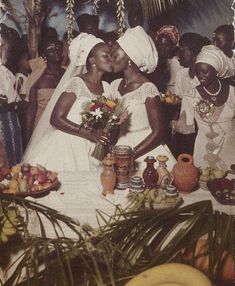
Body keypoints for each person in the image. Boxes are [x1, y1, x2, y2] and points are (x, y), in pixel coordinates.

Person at [23, 33, 112, 172]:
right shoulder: (77, 82)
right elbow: (55, 119)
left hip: (92, 145)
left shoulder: (107, 87)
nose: (111, 59)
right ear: (93, 61)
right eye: (105, 55)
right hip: (68, 145)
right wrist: (90, 133)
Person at [110, 26, 176, 171]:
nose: (111, 59)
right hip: (120, 146)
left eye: (115, 56)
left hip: (145, 150)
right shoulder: (114, 86)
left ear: (130, 59)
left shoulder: (147, 88)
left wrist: (131, 155)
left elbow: (159, 132)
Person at [179, 45, 235, 170]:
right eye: (198, 71)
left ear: (217, 71)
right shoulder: (190, 96)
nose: (200, 76)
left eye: (205, 71)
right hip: (204, 157)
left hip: (231, 156)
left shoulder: (233, 92)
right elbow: (186, 133)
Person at [171, 33, 211, 158]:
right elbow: (178, 102)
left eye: (182, 50)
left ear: (193, 53)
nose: (178, 55)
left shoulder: (206, 77)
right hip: (184, 131)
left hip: (204, 129)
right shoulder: (181, 75)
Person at [25, 38, 64, 145]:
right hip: (42, 127)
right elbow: (31, 110)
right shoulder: (38, 78)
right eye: (50, 49)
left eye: (58, 48)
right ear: (43, 55)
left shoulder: (68, 74)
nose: (55, 51)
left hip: (63, 126)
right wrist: (28, 139)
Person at [0, 26, 23, 166]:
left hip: (11, 121)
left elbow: (14, 99)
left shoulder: (6, 72)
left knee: (12, 166)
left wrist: (15, 104)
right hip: (4, 123)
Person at [148, 25, 182, 93]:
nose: (161, 49)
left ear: (173, 46)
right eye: (159, 45)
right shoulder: (155, 62)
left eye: (166, 45)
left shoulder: (177, 64)